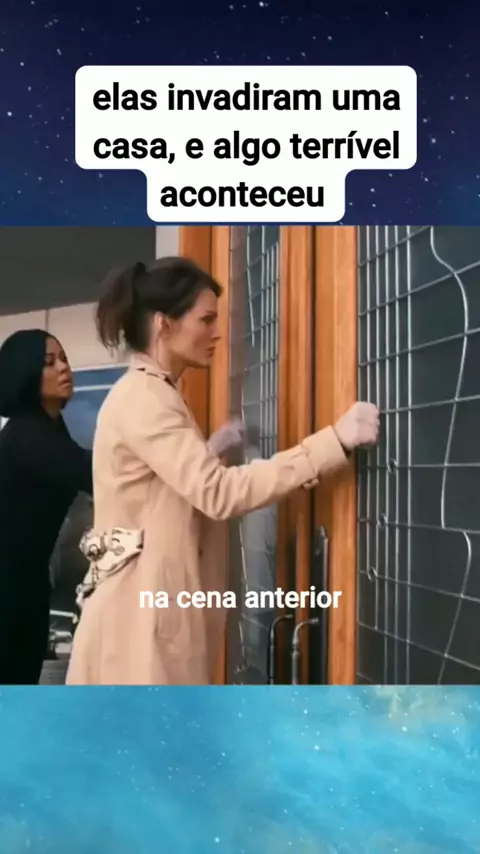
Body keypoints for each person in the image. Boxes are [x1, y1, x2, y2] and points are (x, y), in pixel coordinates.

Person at [66, 257, 379, 686]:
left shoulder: (150, 392)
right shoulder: (146, 398)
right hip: (137, 632)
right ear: (164, 324)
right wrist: (333, 442)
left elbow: (158, 492)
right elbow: (219, 494)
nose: (216, 333)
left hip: (141, 622)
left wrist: (210, 451)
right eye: (206, 320)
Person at [0, 329, 93, 684]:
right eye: (49, 362)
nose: (64, 368)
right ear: (25, 372)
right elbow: (95, 473)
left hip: (25, 587)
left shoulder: (51, 429)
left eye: (64, 359)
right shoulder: (27, 434)